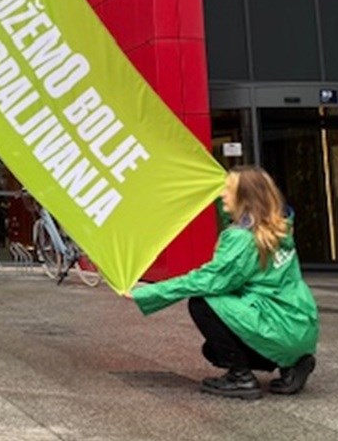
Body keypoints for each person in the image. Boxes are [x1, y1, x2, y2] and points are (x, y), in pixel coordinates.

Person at [129, 166, 319, 399]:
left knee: (203, 303)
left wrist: (148, 292)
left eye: (228, 190)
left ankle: (241, 379)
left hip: (276, 327)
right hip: (299, 329)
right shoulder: (279, 225)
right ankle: (293, 365)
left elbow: (209, 280)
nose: (222, 195)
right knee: (214, 349)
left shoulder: (242, 238)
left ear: (245, 198)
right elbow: (229, 215)